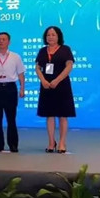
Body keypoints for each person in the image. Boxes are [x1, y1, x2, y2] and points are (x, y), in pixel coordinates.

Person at [35, 26, 75, 154]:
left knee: (63, 115)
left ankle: (62, 143)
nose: (50, 37)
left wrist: (57, 80)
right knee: (49, 115)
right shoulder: (42, 51)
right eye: (48, 35)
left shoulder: (65, 49)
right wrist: (43, 80)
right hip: (46, 86)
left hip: (62, 85)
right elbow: (37, 68)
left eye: (53, 35)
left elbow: (69, 66)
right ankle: (51, 142)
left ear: (58, 36)